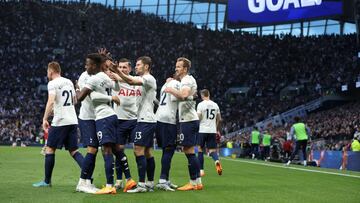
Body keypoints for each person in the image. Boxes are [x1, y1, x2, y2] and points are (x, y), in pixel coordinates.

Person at [76, 53, 124, 194]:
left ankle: (88, 182)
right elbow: (114, 87)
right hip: (89, 117)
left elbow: (84, 96)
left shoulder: (97, 77)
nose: (86, 66)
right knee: (94, 149)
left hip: (99, 117)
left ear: (95, 65)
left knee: (103, 149)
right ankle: (83, 182)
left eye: (88, 64)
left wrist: (77, 89)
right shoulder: (88, 76)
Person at [33, 61, 84, 187]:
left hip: (60, 121)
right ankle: (87, 175)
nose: (47, 74)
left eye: (47, 72)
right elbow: (74, 100)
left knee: (50, 149)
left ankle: (46, 181)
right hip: (72, 120)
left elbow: (51, 101)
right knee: (74, 150)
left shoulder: (52, 83)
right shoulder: (69, 82)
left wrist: (45, 118)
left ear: (51, 71)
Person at [113, 56, 157, 193]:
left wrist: (118, 72)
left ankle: (142, 185)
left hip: (145, 120)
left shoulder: (148, 78)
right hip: (145, 119)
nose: (137, 67)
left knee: (138, 150)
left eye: (139, 65)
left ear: (146, 67)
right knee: (148, 152)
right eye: (136, 65)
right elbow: (126, 80)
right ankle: (149, 183)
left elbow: (130, 80)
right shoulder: (143, 80)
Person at [165, 57, 202, 191]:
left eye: (179, 66)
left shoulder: (186, 80)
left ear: (185, 69)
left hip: (188, 120)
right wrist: (174, 81)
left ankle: (193, 182)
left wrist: (171, 90)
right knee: (189, 150)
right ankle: (198, 181)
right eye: (176, 66)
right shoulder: (187, 80)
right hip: (189, 119)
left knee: (189, 150)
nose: (176, 68)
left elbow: (185, 95)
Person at [112, 58, 139, 192]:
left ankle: (141, 181)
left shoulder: (135, 81)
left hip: (134, 120)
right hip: (119, 120)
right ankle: (119, 180)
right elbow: (112, 74)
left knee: (138, 150)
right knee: (119, 150)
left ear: (130, 69)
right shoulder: (115, 79)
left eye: (124, 67)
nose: (122, 69)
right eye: (120, 67)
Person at [154, 75, 181, 191]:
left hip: (159, 118)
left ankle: (165, 178)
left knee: (167, 150)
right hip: (168, 120)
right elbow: (175, 99)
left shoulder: (166, 84)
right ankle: (162, 180)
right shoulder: (177, 84)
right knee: (169, 150)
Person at [196, 89, 223, 177]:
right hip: (212, 130)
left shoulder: (201, 104)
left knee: (200, 149)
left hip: (202, 130)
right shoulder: (215, 105)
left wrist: (197, 123)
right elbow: (219, 118)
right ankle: (216, 161)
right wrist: (215, 126)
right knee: (212, 151)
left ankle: (201, 170)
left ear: (202, 95)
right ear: (209, 94)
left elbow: (199, 116)